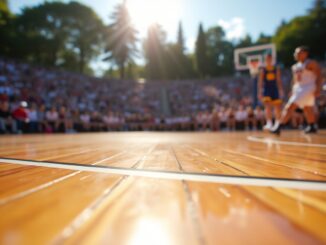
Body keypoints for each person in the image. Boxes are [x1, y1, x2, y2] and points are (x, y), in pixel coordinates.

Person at [271, 46, 322, 134]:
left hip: (308, 87)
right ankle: (312, 125)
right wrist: (293, 90)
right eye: (296, 53)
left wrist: (318, 88)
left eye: (299, 53)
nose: (296, 54)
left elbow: (319, 75)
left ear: (305, 53)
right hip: (299, 88)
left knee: (290, 106)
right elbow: (294, 80)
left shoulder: (311, 63)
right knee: (307, 107)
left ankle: (279, 125)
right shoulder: (295, 66)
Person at [258, 54, 284, 130]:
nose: (269, 59)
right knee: (268, 106)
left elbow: (279, 80)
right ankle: (269, 123)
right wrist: (259, 92)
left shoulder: (276, 68)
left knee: (277, 107)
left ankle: (277, 123)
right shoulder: (263, 69)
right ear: (265, 60)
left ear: (272, 59)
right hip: (266, 89)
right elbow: (260, 81)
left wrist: (281, 90)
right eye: (267, 58)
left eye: (270, 58)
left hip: (274, 89)